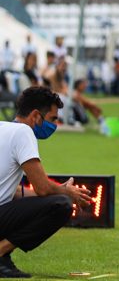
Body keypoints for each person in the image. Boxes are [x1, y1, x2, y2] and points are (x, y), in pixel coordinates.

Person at [0, 86, 92, 278]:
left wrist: (61, 189)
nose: (54, 125)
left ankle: (3, 259)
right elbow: (42, 187)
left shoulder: (3, 129)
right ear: (35, 115)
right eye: (52, 119)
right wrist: (66, 192)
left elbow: (14, 191)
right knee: (61, 205)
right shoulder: (24, 132)